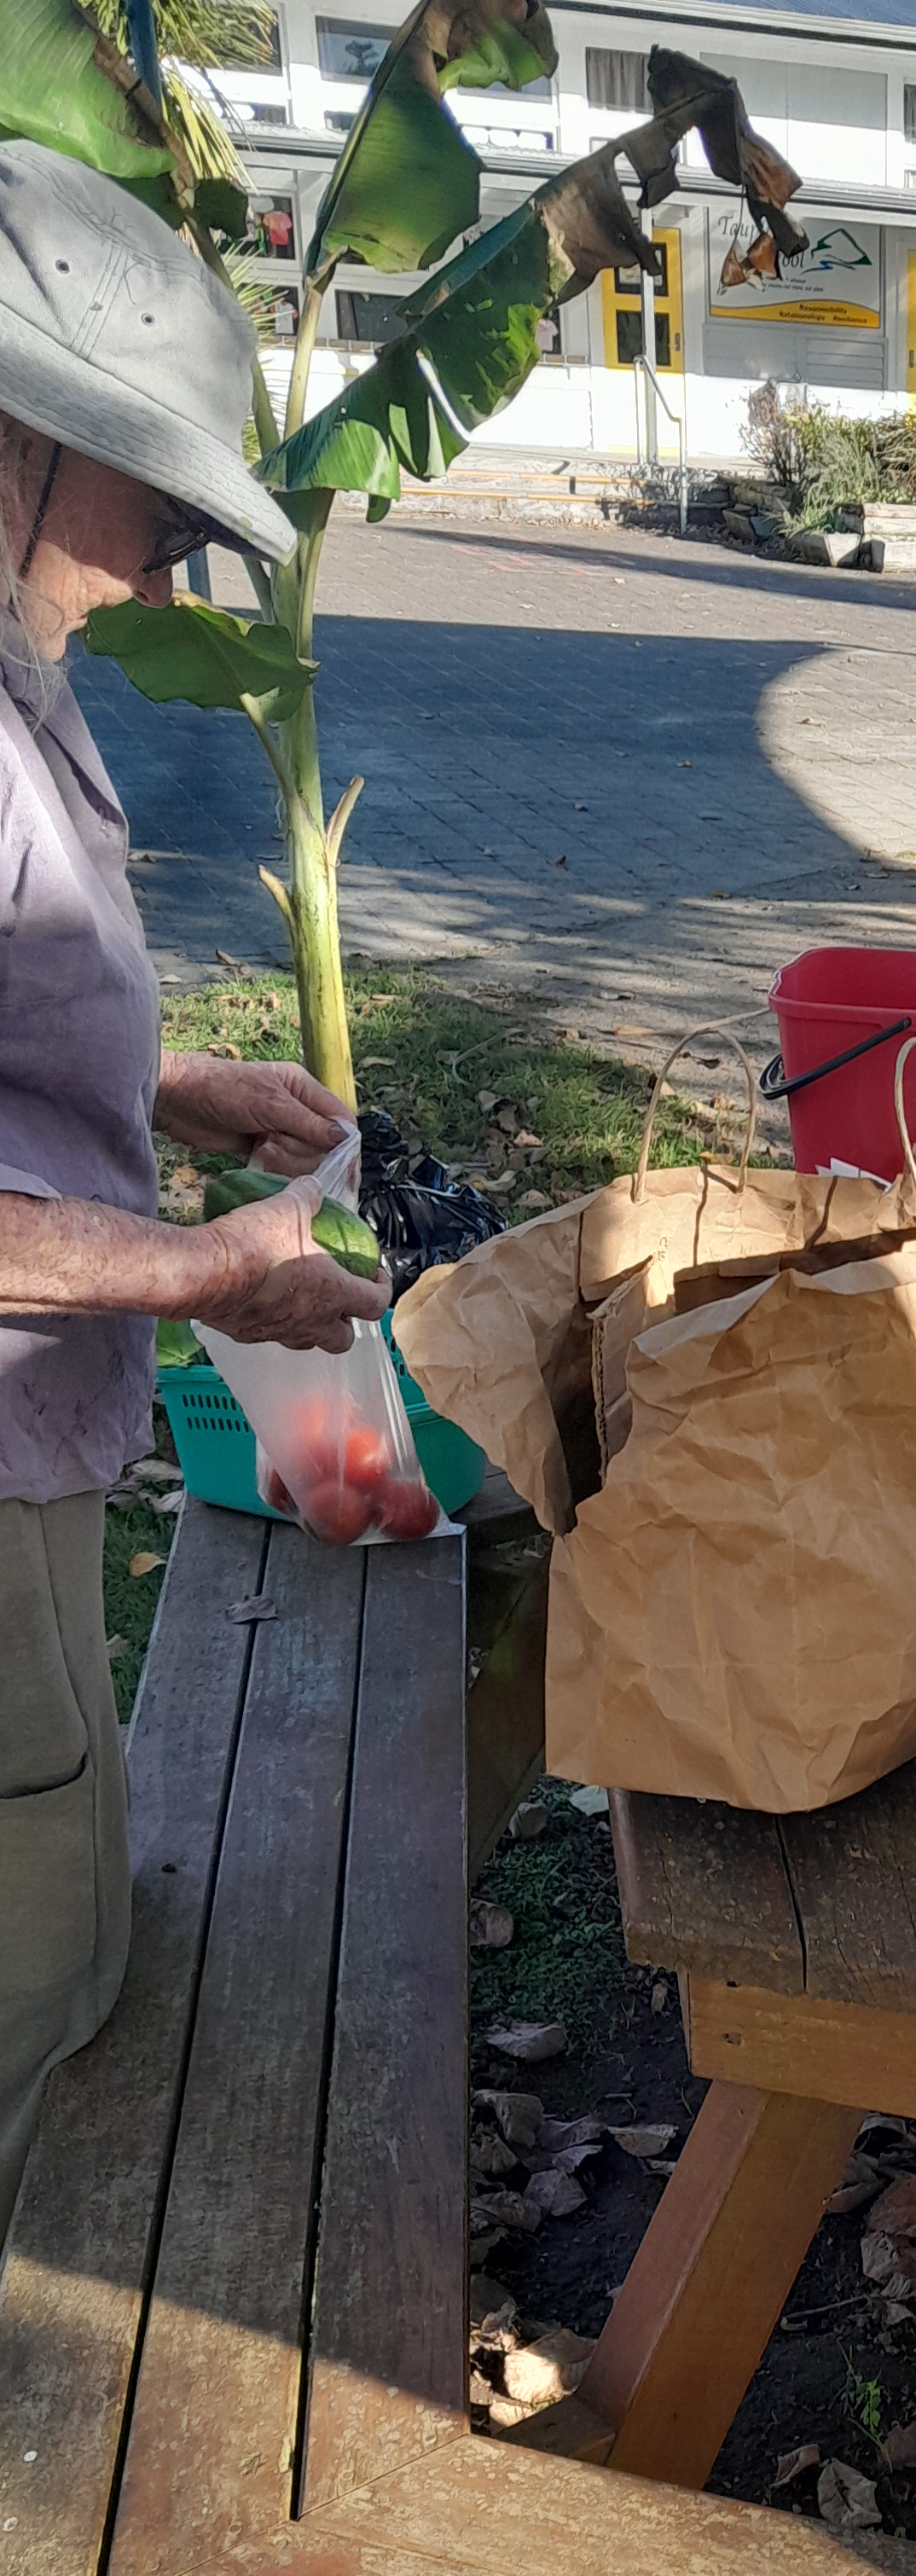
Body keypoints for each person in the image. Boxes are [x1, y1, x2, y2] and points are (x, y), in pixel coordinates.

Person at [0, 142, 388, 2237]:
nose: (167, 579)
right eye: (156, 516)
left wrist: (163, 1083)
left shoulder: (16, 670)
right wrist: (186, 1272)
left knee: (61, 1888)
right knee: (29, 1962)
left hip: (32, 1430)